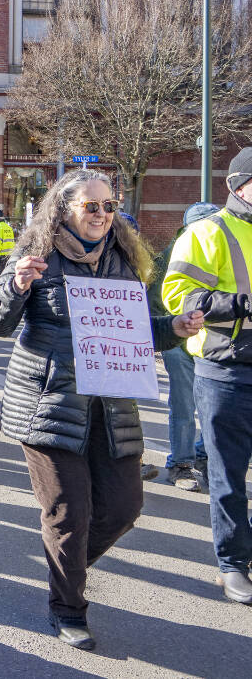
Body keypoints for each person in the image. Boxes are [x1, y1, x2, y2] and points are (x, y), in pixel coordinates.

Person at [0, 170, 203, 648]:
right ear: (64, 210)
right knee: (69, 511)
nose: (103, 215)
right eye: (91, 206)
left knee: (123, 508)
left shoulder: (122, 259)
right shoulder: (35, 255)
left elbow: (136, 331)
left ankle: (67, 568)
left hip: (111, 404)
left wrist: (174, 328)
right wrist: (16, 286)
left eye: (109, 206)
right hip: (49, 402)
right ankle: (68, 608)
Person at [163, 148, 252, 605]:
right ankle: (234, 564)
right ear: (239, 186)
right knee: (229, 475)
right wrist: (241, 304)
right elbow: (178, 295)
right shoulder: (208, 231)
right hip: (227, 369)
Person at [144, 202, 217, 490]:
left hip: (214, 344)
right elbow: (153, 299)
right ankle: (181, 464)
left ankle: (204, 456)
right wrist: (162, 334)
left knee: (214, 407)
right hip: (179, 342)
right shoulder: (169, 256)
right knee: (184, 405)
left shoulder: (222, 250)